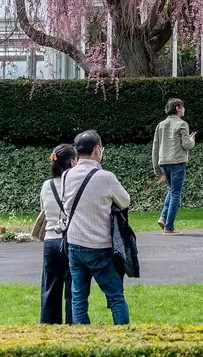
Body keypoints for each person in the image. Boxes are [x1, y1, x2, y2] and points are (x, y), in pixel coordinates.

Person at [61, 130, 133, 326]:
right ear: (96, 150)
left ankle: (82, 339)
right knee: (115, 296)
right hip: (100, 246)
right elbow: (125, 201)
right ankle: (123, 338)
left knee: (78, 296)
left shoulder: (67, 175)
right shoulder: (106, 177)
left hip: (74, 243)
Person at [38, 143, 76, 324]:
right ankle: (73, 325)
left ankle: (48, 327)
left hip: (50, 241)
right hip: (71, 240)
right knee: (73, 288)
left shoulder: (47, 185)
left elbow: (43, 210)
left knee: (49, 288)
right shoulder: (74, 185)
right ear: (72, 162)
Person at [151, 98, 195, 235]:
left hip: (163, 162)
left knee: (171, 190)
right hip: (177, 162)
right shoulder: (182, 124)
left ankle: (163, 217)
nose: (184, 109)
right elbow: (186, 145)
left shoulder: (160, 125)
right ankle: (169, 227)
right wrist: (192, 139)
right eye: (182, 107)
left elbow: (155, 147)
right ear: (177, 108)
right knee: (176, 193)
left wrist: (155, 167)